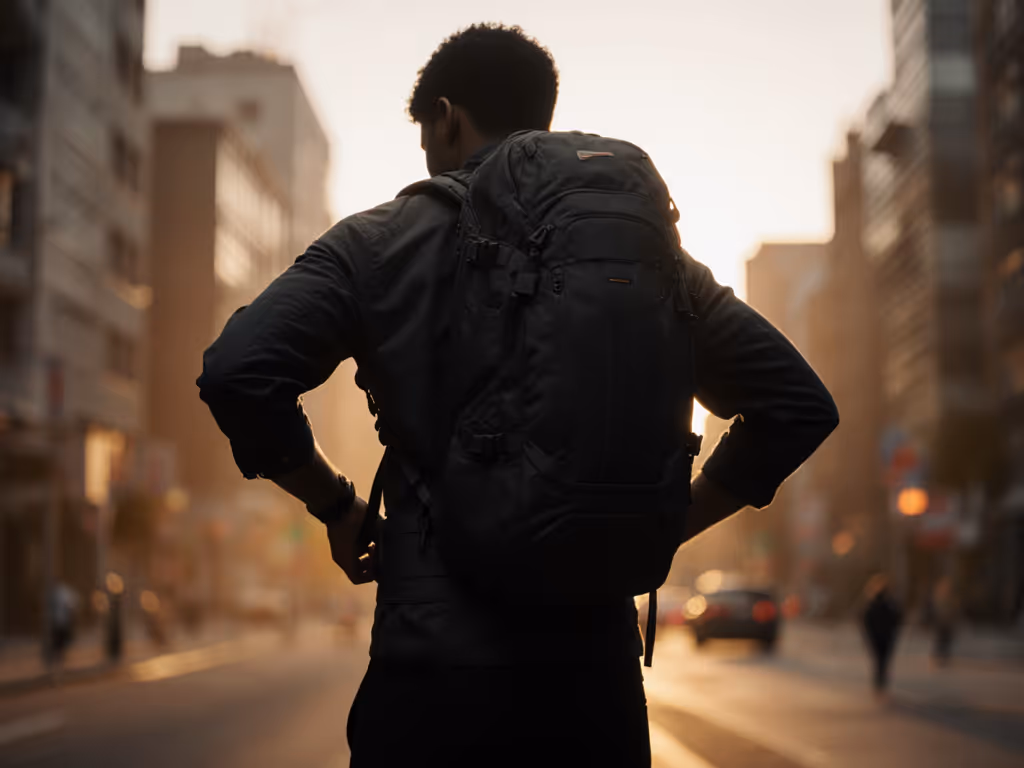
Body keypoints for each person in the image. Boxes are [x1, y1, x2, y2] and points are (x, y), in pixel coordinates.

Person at [198, 24, 838, 767]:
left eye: (427, 135)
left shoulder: (379, 242)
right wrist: (664, 526)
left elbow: (238, 372)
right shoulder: (650, 263)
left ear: (446, 118)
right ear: (544, 117)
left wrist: (336, 505)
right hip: (592, 682)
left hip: (433, 680)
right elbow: (796, 404)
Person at [861, 574, 902, 701]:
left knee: (880, 662)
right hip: (882, 637)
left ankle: (880, 686)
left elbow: (897, 618)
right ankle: (880, 686)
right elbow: (897, 617)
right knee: (882, 662)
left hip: (881, 636)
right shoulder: (884, 603)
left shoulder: (879, 603)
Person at [931, 576, 958, 667]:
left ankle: (944, 657)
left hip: (948, 623)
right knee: (940, 640)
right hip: (941, 622)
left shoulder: (951, 598)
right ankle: (938, 656)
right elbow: (936, 610)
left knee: (946, 640)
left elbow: (954, 610)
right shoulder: (939, 597)